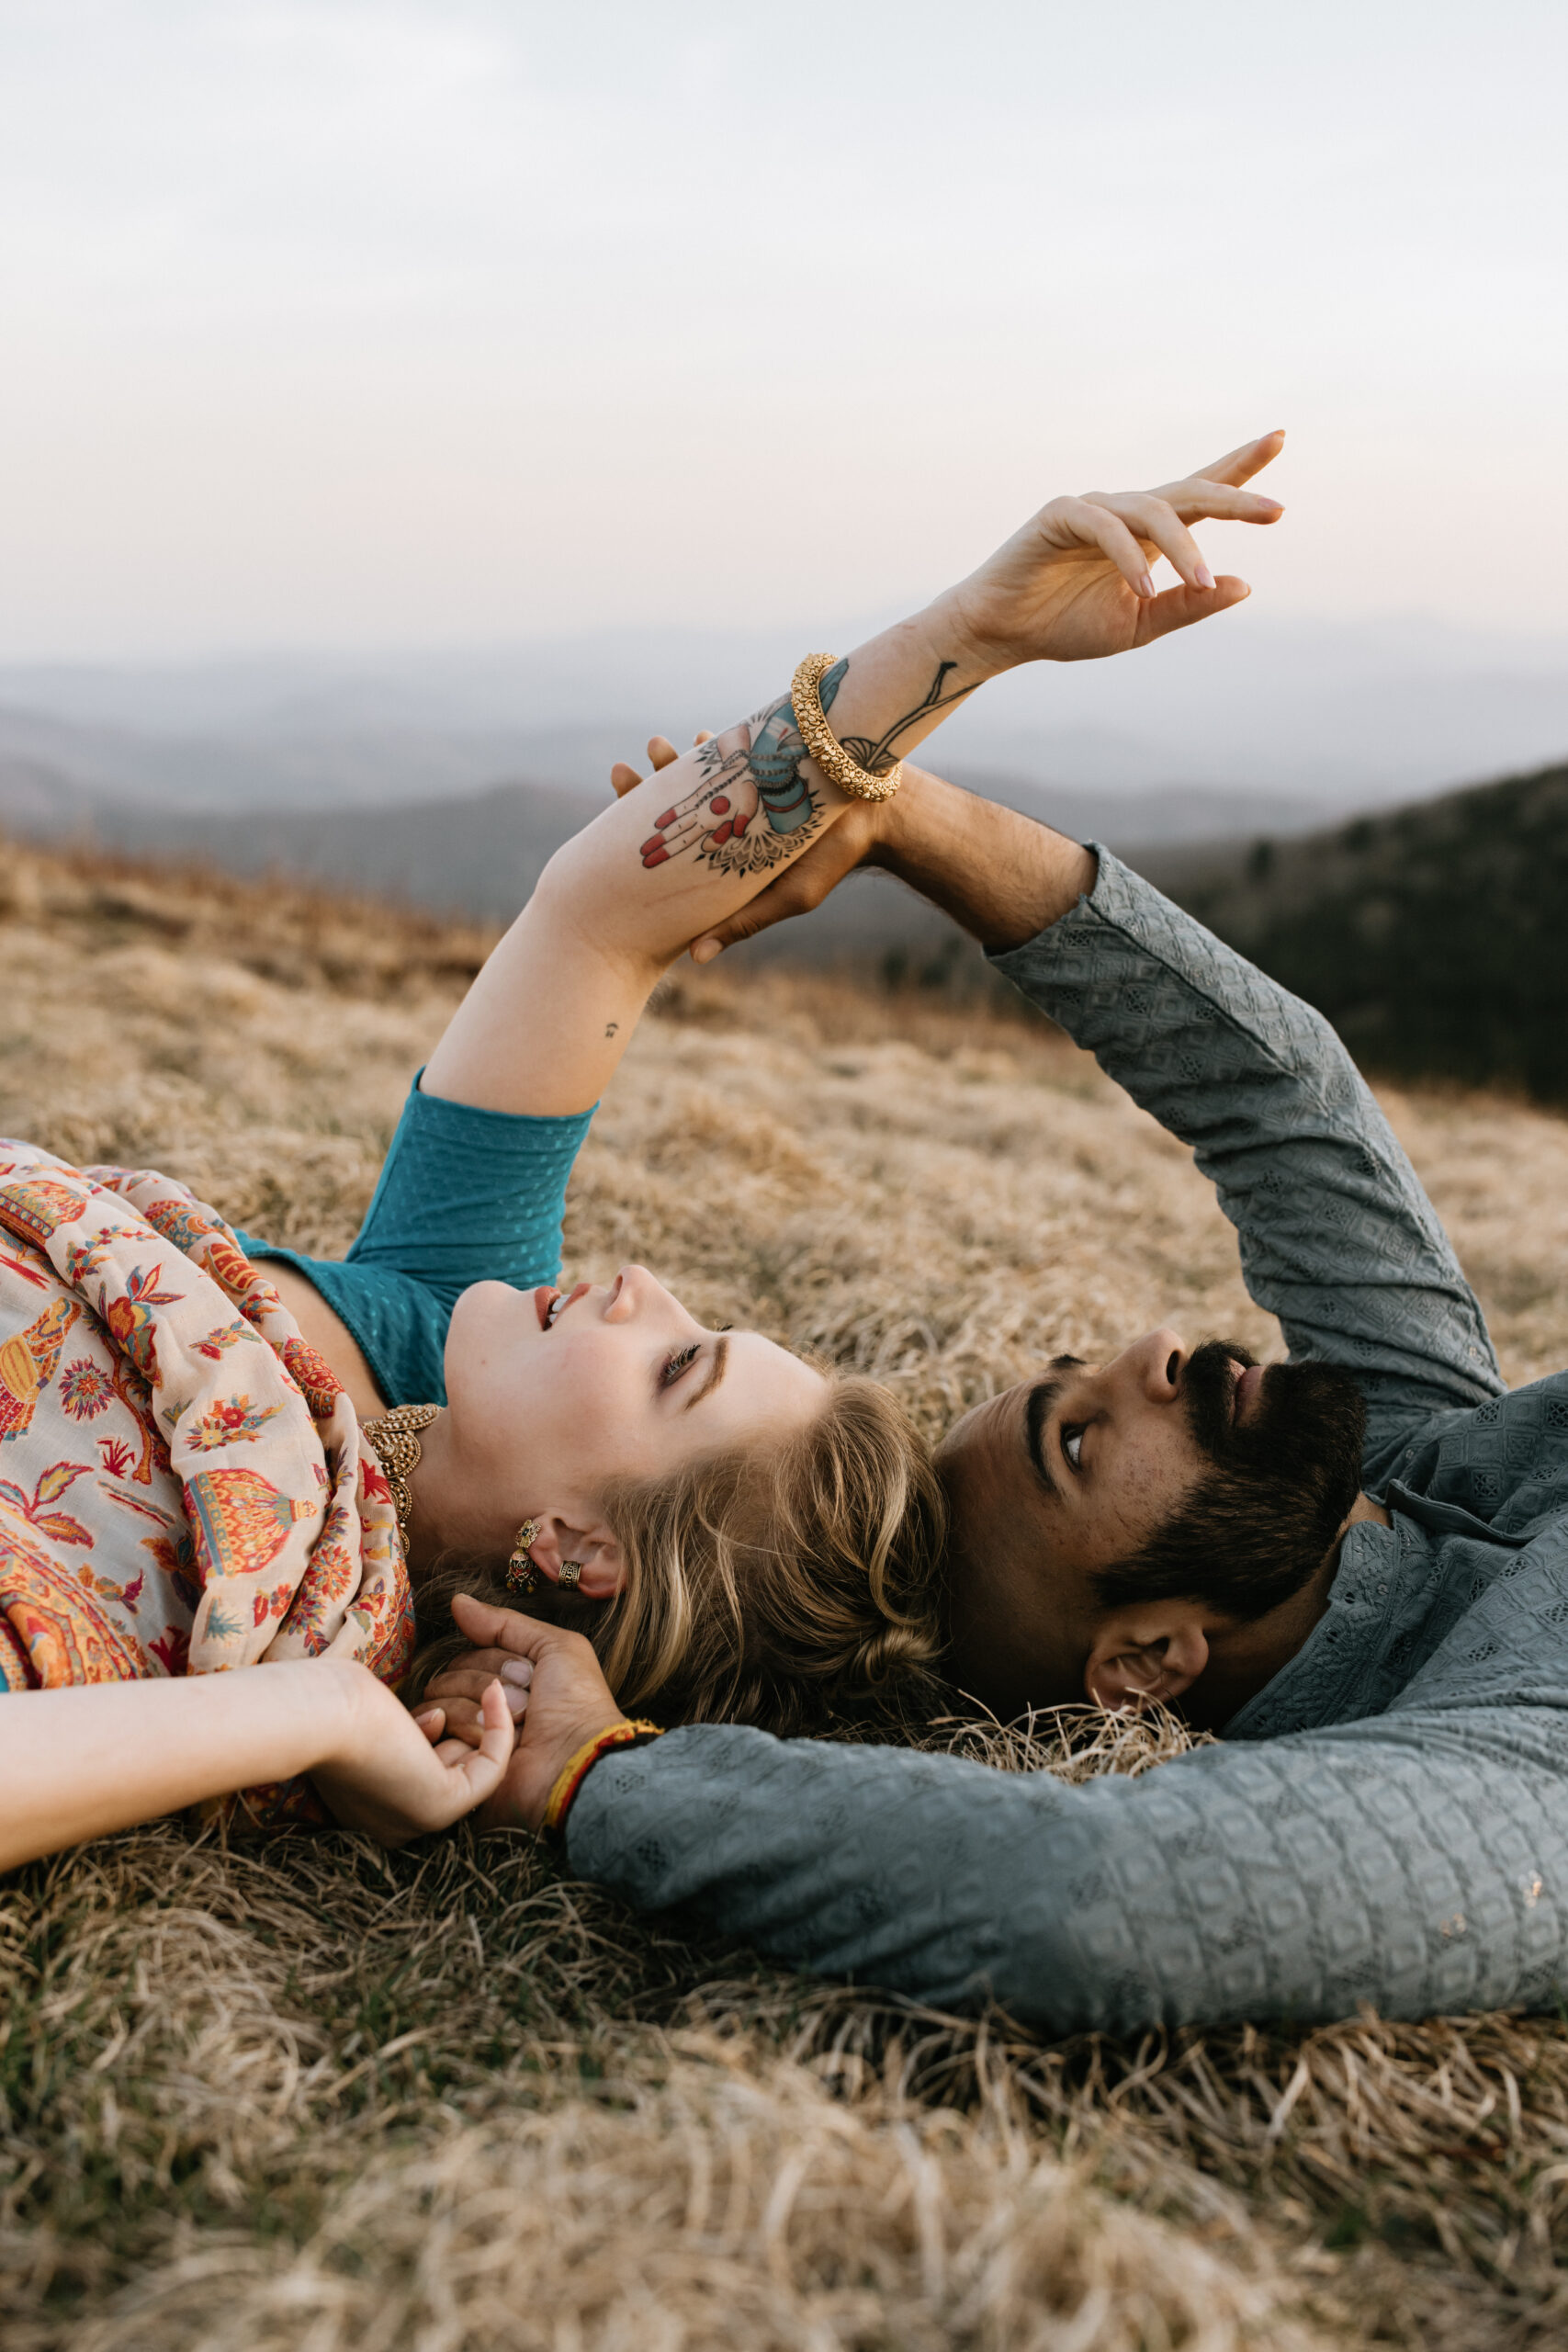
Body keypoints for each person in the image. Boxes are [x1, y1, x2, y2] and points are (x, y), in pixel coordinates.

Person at [0, 433, 1288, 1873]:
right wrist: (963, 638)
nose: (640, 1282)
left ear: (576, 1550)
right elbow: (597, 919)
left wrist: (313, 1715)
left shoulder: (281, 1587)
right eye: (697, 1326)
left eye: (680, 1367)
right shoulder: (448, 1314)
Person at [444, 740, 1568, 2039]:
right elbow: (1093, 1895)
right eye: (1082, 1445)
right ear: (1147, 1662)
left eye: (1074, 1388)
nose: (1155, 1353)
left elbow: (1283, 1099)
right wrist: (601, 1778)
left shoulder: (1412, 1475)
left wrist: (900, 821)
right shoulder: (1516, 1743)